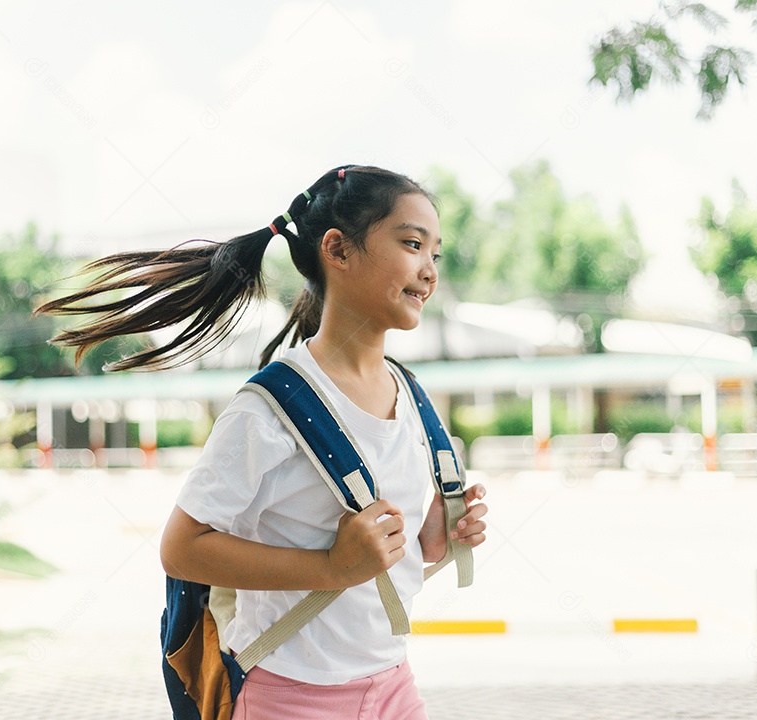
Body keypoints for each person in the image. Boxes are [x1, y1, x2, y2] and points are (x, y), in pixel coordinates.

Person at [36, 165, 488, 719]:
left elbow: (378, 567)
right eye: (413, 244)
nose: (429, 270)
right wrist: (330, 568)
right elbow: (180, 549)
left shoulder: (410, 395)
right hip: (290, 699)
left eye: (435, 254)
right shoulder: (270, 408)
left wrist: (432, 542)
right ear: (338, 250)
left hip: (393, 687)